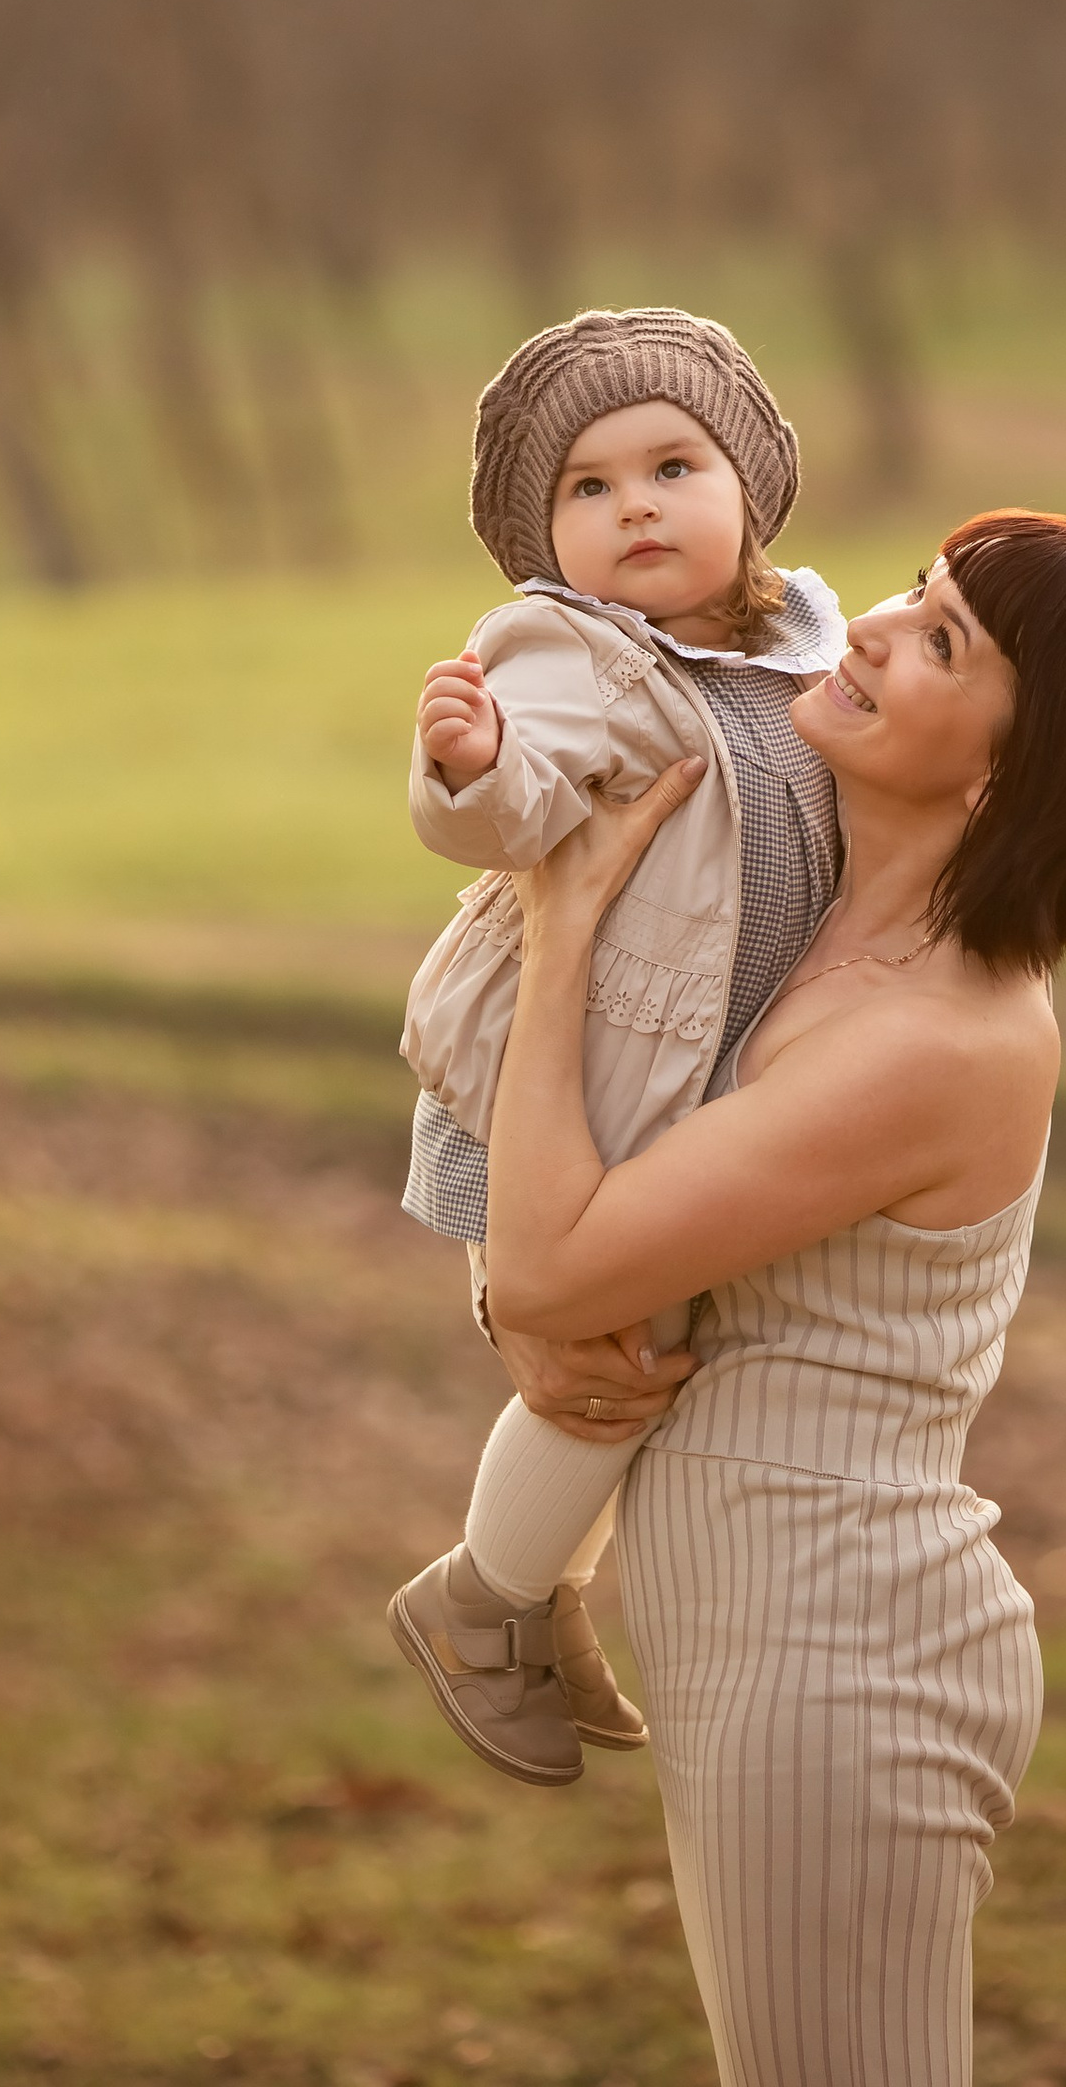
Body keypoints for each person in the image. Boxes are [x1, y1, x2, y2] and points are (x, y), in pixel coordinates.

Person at [480, 508, 1066, 2087]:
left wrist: (559, 928)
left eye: (945, 643)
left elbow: (555, 1264)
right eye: (919, 592)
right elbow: (589, 1232)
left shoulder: (941, 1041)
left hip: (840, 1656)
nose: (874, 628)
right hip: (766, 1633)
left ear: (1012, 776)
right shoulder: (810, 900)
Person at [391, 306, 848, 1784]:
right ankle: (478, 1604)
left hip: (675, 1080)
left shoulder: (804, 644)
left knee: (647, 1356)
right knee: (606, 1359)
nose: (635, 504)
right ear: (547, 543)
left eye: (671, 464)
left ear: (749, 492)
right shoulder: (568, 649)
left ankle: (546, 1597)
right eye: (588, 489)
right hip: (565, 1079)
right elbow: (516, 807)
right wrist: (470, 761)